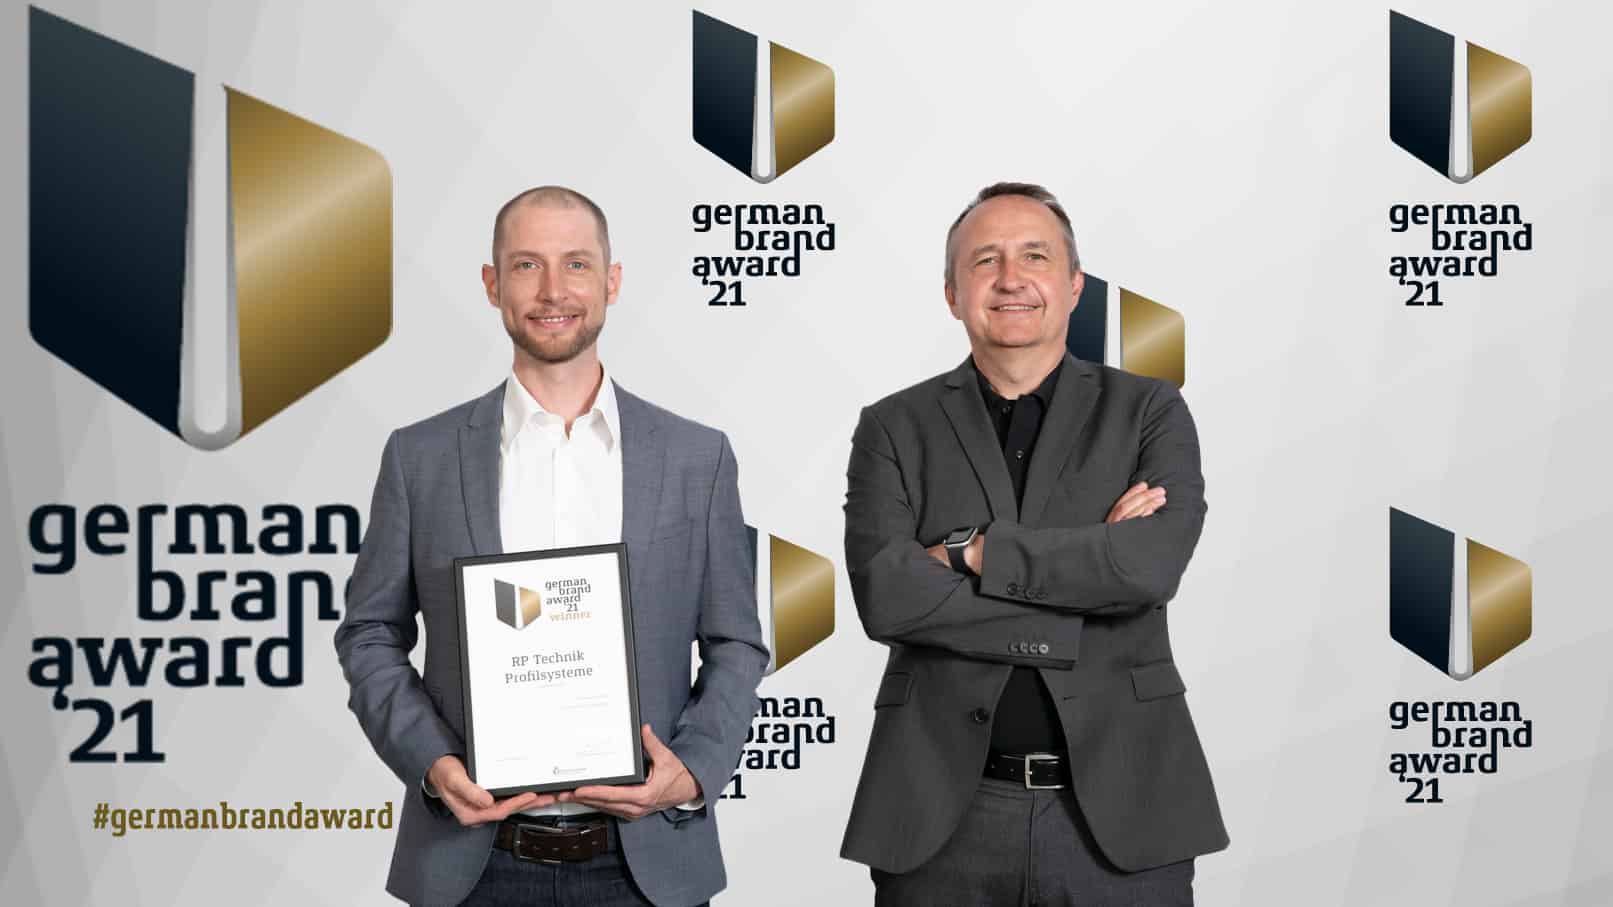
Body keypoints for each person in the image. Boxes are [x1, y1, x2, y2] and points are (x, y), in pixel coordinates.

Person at [335, 186, 767, 907]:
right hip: (472, 865)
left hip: (648, 865)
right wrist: (432, 762)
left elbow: (737, 641)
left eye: (576, 264)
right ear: (492, 283)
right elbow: (369, 632)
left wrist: (692, 769)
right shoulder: (420, 458)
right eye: (527, 265)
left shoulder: (698, 458)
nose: (553, 291)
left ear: (612, 281)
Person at [839, 182, 1228, 905]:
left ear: (1074, 285)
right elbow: (887, 596)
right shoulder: (893, 425)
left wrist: (973, 553)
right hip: (938, 818)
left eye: (1035, 257)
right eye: (985, 260)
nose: (1011, 278)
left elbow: (1147, 567)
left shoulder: (1149, 410)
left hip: (1125, 812)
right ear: (952, 294)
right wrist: (1088, 573)